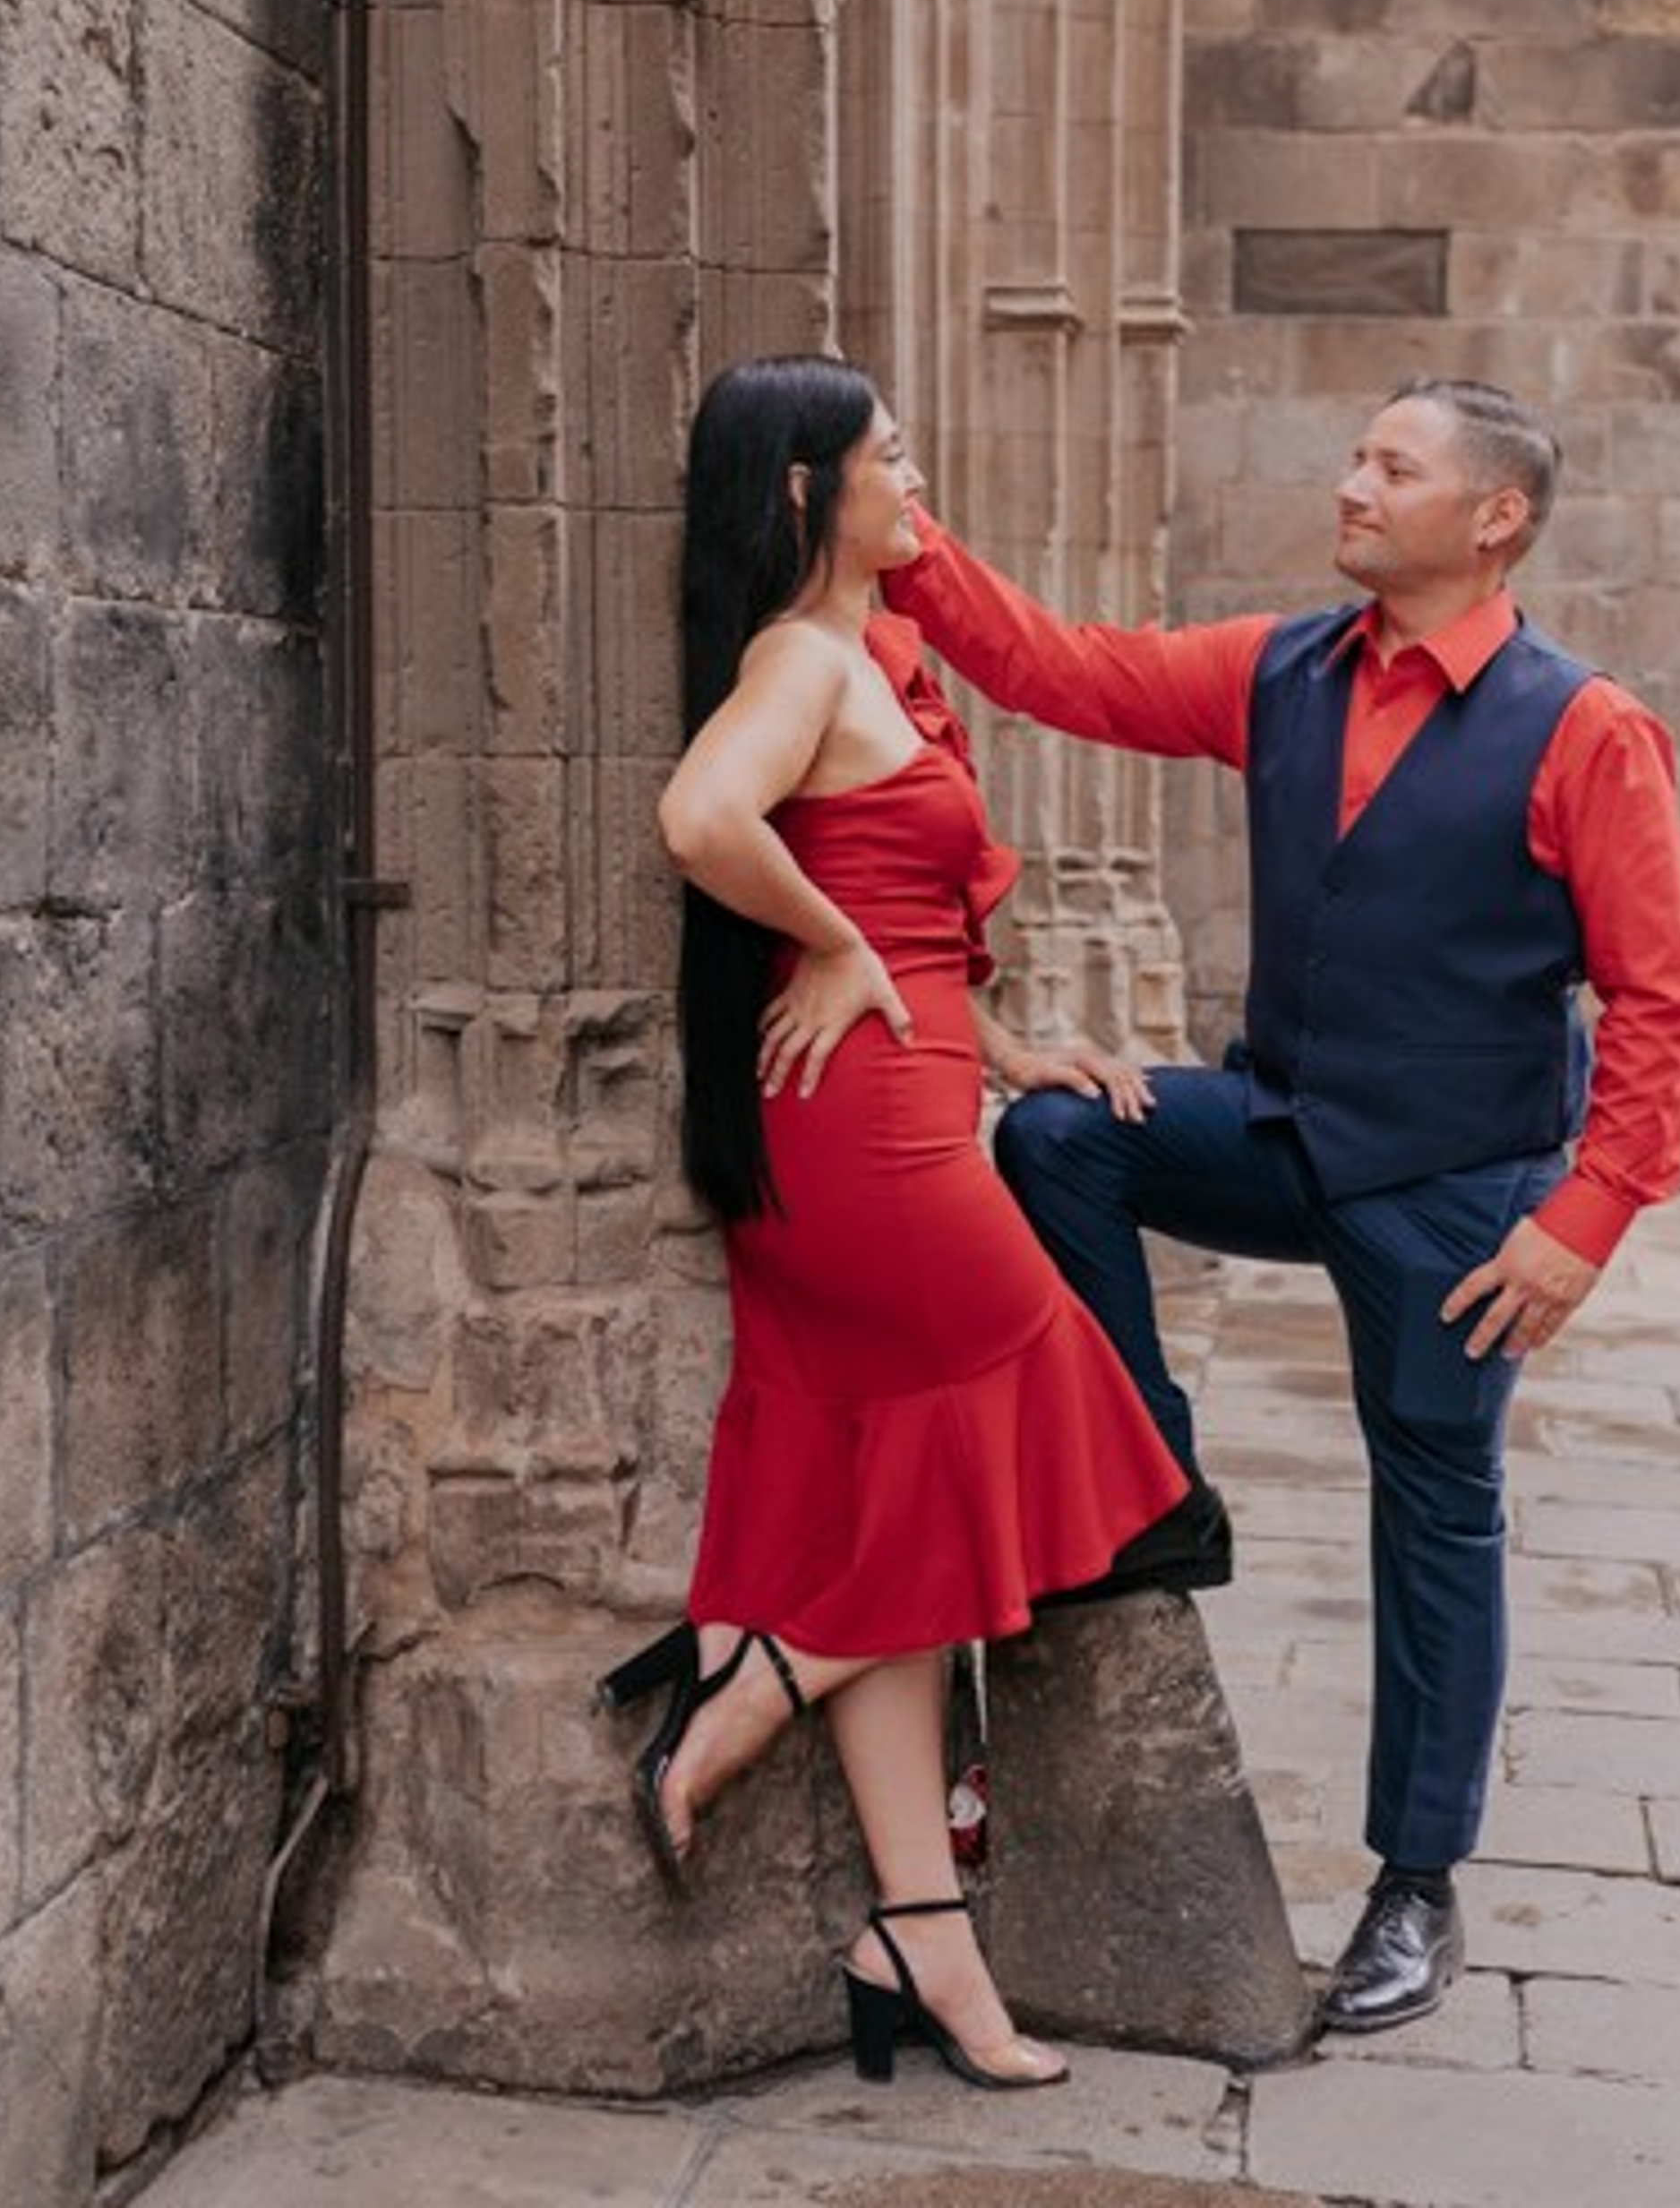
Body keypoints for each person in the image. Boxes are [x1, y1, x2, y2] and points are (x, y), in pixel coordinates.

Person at [879, 377, 1680, 2034]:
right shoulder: (1284, 670)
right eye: (1355, 455)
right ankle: (1155, 1482)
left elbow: (1662, 1006)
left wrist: (1584, 1218)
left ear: (1494, 519)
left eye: (1390, 467)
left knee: (1437, 1511)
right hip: (1281, 1127)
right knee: (1062, 1142)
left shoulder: (1582, 727)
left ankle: (1417, 1885)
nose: (1350, 484)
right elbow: (1061, 670)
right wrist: (909, 544)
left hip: (1456, 1200)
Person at [597, 354, 1191, 2091]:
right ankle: (757, 1683)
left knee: (923, 1505)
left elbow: (901, 901)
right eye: (888, 458)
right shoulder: (801, 656)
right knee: (1058, 1414)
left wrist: (1013, 1050)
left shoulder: (872, 655)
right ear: (804, 492)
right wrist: (841, 951)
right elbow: (701, 819)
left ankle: (916, 1936)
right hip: (860, 1141)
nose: (913, 481)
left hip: (917, 1100)